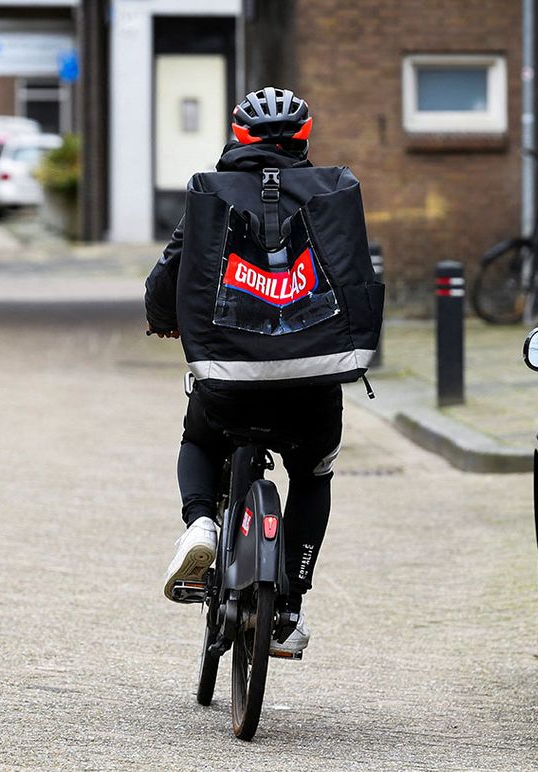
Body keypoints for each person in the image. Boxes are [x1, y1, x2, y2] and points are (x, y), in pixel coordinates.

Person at [145, 87, 369, 657]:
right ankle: (289, 605)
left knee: (199, 437)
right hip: (312, 382)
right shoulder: (334, 193)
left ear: (238, 136)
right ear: (304, 139)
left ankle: (201, 524)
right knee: (314, 472)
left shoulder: (208, 194)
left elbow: (167, 278)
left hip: (229, 378)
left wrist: (165, 320)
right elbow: (355, 278)